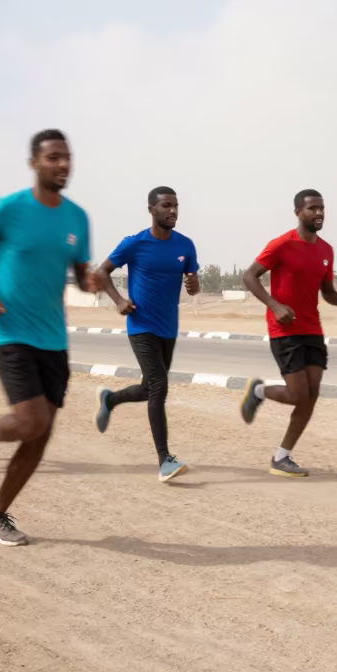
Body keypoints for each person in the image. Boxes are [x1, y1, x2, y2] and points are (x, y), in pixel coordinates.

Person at [0, 130, 92, 546]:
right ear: (34, 163)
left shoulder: (77, 218)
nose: (63, 164)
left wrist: (94, 280)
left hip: (53, 339)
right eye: (53, 157)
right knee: (31, 420)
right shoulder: (9, 208)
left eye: (67, 156)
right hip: (9, 329)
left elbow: (81, 275)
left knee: (40, 434)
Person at [240, 190, 337, 477]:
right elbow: (249, 276)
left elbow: (327, 291)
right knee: (297, 394)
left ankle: (282, 456)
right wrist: (274, 305)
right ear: (298, 213)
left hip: (312, 329)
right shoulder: (282, 244)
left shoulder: (326, 250)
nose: (319, 213)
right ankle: (258, 391)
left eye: (322, 208)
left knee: (311, 395)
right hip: (284, 329)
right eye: (313, 208)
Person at [93, 186, 199, 482]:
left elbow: (193, 283)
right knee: (159, 386)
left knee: (147, 388)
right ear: (152, 210)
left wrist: (194, 286)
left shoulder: (186, 245)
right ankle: (165, 460)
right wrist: (119, 301)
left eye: (175, 205)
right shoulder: (134, 243)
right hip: (141, 325)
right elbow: (101, 272)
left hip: (169, 328)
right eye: (166, 205)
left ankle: (110, 400)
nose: (173, 211)